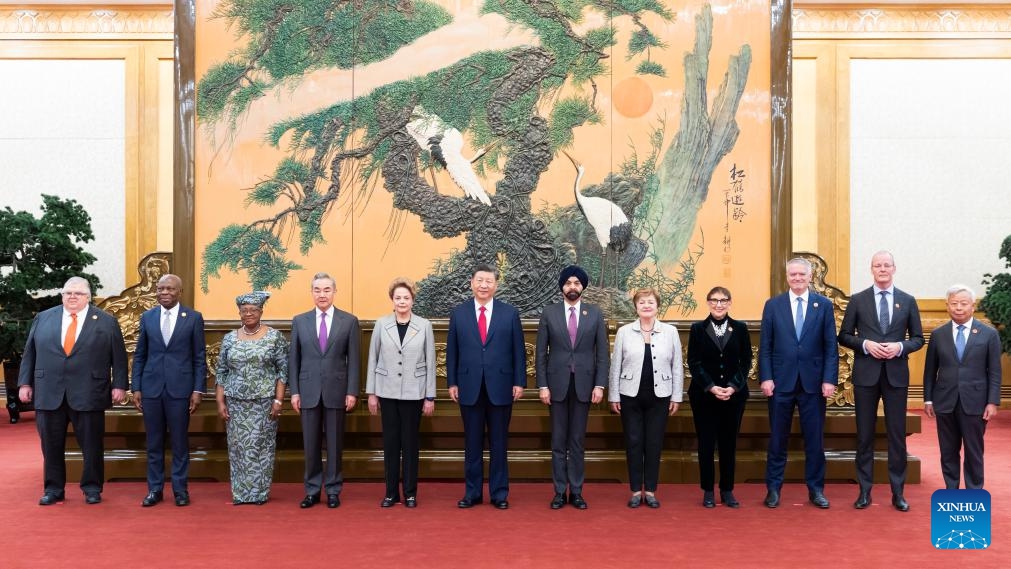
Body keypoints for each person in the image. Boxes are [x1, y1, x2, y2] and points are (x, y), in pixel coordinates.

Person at [18, 276, 128, 505]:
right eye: (68, 293)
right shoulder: (44, 318)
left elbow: (118, 357)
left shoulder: (106, 321)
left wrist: (119, 385)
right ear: (62, 295)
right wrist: (25, 383)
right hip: (49, 392)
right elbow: (30, 353)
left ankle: (92, 488)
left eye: (78, 293)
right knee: (50, 444)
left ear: (88, 297)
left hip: (90, 391)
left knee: (92, 445)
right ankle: (53, 489)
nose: (72, 297)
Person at [838, 251, 923, 511]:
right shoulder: (858, 300)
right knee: (864, 435)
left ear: (894, 268)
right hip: (866, 374)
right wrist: (865, 344)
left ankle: (898, 492)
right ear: (871, 269)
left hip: (896, 375)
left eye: (887, 265)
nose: (882, 269)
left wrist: (899, 346)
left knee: (897, 435)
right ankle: (864, 491)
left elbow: (918, 338)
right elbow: (844, 335)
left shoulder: (908, 301)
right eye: (878, 265)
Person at [759, 257, 838, 509]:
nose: (797, 278)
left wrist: (829, 379)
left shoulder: (823, 305)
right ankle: (773, 489)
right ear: (787, 276)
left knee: (814, 441)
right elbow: (766, 347)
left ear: (810, 276)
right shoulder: (773, 305)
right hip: (780, 383)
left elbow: (830, 347)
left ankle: (816, 490)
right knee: (777, 439)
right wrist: (766, 377)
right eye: (792, 274)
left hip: (814, 384)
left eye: (801, 275)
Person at [446, 264, 526, 509]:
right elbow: (452, 352)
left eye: (488, 281)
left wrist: (519, 382)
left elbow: (518, 352)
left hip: (501, 386)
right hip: (468, 386)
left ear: (496, 285)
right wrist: (452, 382)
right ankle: (472, 493)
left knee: (499, 443)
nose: (483, 285)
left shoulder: (509, 313)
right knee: (472, 443)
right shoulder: (458, 314)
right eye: (479, 280)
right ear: (471, 282)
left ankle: (499, 493)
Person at [535, 265, 609, 510]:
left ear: (583, 287)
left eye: (577, 283)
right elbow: (541, 354)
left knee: (577, 441)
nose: (572, 287)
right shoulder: (549, 313)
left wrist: (599, 385)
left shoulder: (595, 314)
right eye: (568, 283)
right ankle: (558, 492)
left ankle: (576, 491)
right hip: (555, 387)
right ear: (562, 287)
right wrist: (543, 385)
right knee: (558, 441)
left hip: (585, 387)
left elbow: (602, 354)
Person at [131, 274, 207, 507]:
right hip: (151, 389)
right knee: (153, 442)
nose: (164, 292)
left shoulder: (193, 318)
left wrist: (197, 390)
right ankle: (154, 490)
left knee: (179, 442)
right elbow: (140, 354)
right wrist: (136, 387)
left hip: (180, 390)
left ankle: (180, 490)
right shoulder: (147, 317)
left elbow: (198, 357)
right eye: (160, 288)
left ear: (179, 292)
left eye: (169, 289)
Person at [289, 272, 361, 509]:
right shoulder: (299, 321)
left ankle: (333, 489)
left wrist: (352, 391)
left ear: (334, 292)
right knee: (310, 444)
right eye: (317, 290)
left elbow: (354, 360)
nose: (322, 294)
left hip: (337, 390)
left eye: (327, 290)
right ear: (312, 293)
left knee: (335, 443)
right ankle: (311, 490)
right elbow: (294, 360)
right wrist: (295, 392)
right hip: (308, 390)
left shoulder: (349, 321)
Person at [608, 288, 682, 509]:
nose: (646, 306)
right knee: (633, 443)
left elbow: (677, 366)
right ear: (636, 307)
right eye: (642, 302)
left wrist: (676, 396)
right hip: (630, 395)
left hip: (660, 396)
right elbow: (615, 366)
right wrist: (613, 395)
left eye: (650, 302)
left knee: (653, 443)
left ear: (657, 306)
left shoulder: (670, 332)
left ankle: (649, 490)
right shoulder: (624, 332)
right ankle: (634, 491)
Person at [365, 277, 436, 508]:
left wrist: (429, 396)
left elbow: (431, 362)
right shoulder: (381, 324)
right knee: (391, 443)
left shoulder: (424, 325)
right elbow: (373, 358)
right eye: (398, 298)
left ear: (413, 300)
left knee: (410, 443)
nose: (402, 301)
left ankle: (410, 493)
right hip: (386, 392)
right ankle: (390, 493)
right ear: (392, 300)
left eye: (406, 297)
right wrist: (372, 393)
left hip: (414, 394)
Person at [923, 284, 1002, 489]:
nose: (959, 307)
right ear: (947, 306)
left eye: (963, 303)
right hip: (945, 401)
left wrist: (992, 402)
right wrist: (928, 398)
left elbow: (994, 371)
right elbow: (930, 370)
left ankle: (974, 492)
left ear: (972, 306)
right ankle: (951, 490)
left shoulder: (988, 334)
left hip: (975, 402)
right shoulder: (938, 334)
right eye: (954, 303)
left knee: (974, 450)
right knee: (948, 451)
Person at [215, 291, 288, 505]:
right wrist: (220, 401)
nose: (248, 314)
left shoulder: (274, 337)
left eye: (253, 310)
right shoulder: (229, 338)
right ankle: (241, 493)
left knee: (260, 448)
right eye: (244, 310)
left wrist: (278, 400)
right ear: (239, 313)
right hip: (236, 402)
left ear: (261, 312)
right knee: (238, 448)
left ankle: (259, 493)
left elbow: (282, 371)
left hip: (264, 402)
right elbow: (222, 372)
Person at [687, 286, 751, 509]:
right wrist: (712, 387)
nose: (719, 304)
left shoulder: (741, 329)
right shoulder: (697, 329)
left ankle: (727, 490)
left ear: (730, 302)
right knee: (705, 444)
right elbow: (693, 363)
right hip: (704, 396)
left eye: (723, 300)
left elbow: (746, 362)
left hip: (734, 397)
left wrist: (733, 387)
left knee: (728, 444)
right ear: (708, 303)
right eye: (714, 300)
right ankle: (707, 491)